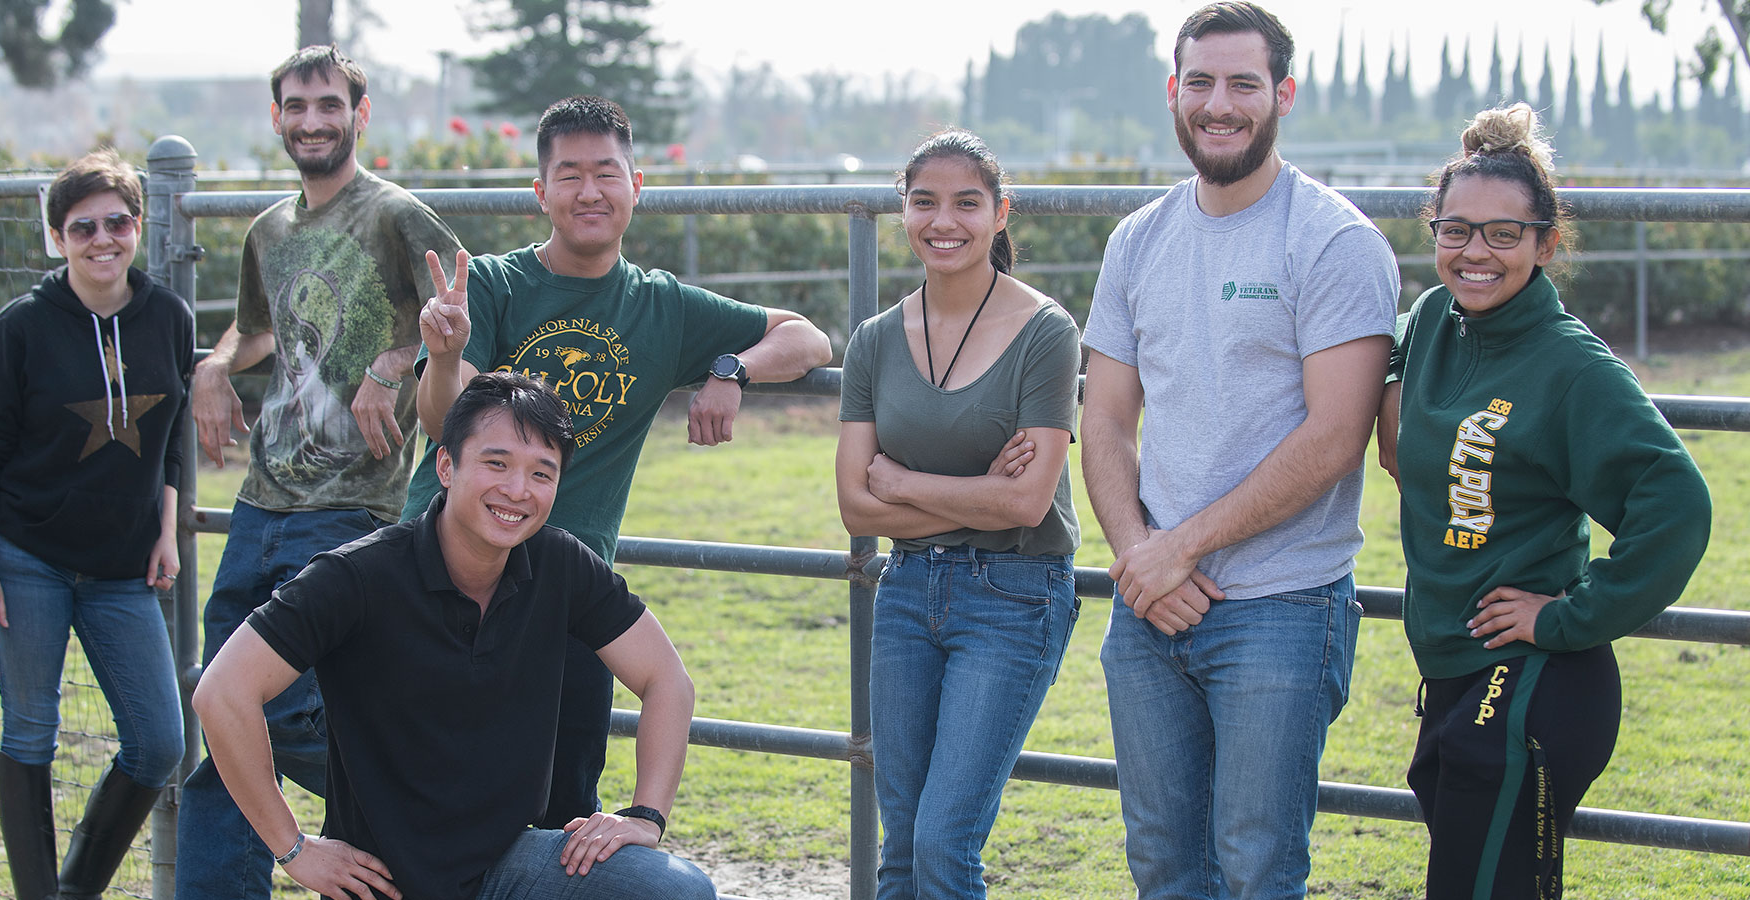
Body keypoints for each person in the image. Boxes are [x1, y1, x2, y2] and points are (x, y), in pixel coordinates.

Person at [407, 95, 832, 829]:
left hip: (566, 589)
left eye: (607, 173)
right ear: (541, 194)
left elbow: (809, 338)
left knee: (563, 799)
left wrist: (731, 370)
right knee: (427, 785)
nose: (590, 191)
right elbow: (444, 420)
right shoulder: (497, 286)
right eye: (568, 176)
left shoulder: (660, 307)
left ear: (637, 186)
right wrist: (444, 356)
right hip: (450, 568)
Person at [1077, 3, 1401, 897]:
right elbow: (1102, 420)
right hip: (1149, 607)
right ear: (1173, 93)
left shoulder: (1334, 241)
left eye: (1244, 84)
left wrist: (1180, 548)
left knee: (1257, 870)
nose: (1220, 104)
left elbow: (1336, 436)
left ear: (1284, 95)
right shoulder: (1137, 240)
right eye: (1202, 83)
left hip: (1284, 607)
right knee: (1163, 867)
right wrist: (1141, 556)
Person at [192, 372, 717, 900]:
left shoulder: (561, 564)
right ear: (446, 465)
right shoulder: (357, 576)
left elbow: (667, 679)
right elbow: (222, 691)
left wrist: (646, 815)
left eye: (542, 473)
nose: (517, 490)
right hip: (387, 880)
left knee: (679, 891)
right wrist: (294, 849)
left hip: (510, 861)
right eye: (497, 463)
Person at [1378, 103, 1711, 900]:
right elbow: (1378, 354)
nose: (1476, 253)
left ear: (1545, 243)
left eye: (1504, 234)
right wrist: (1386, 379)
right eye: (1455, 230)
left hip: (1531, 681)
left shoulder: (1571, 369)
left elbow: (1675, 502)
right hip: (1454, 676)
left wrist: (1563, 617)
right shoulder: (1432, 322)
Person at [176, 45, 464, 900]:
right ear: (277, 118)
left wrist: (392, 360)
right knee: (219, 714)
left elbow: (455, 317)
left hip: (353, 506)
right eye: (296, 107)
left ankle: (418, 782)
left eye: (328, 105)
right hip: (262, 501)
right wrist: (212, 366)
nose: (311, 120)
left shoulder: (397, 217)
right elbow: (255, 330)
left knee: (281, 712)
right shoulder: (269, 230)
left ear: (359, 114)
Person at [835, 129, 1082, 899]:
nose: (945, 221)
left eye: (968, 203)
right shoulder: (875, 341)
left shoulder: (1048, 332)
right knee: (902, 844)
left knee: (945, 842)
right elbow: (852, 506)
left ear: (1001, 214)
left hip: (1015, 595)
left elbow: (1026, 502)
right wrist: (976, 494)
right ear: (902, 211)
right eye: (924, 202)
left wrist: (903, 483)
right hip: (906, 591)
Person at [0, 149, 192, 900]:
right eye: (82, 226)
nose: (102, 239)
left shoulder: (167, 317)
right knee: (30, 731)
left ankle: (75, 889)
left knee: (159, 742)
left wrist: (165, 529)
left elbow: (172, 437)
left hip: (123, 570)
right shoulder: (22, 328)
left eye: (117, 222)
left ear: (139, 226)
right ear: (58, 237)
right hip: (29, 559)